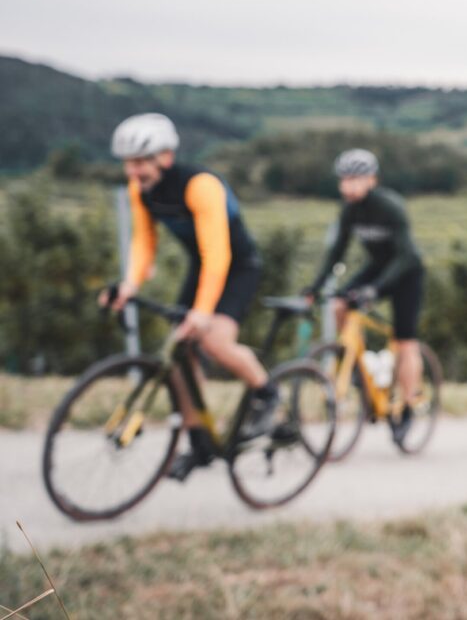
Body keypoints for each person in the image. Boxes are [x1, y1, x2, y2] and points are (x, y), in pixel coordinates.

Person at [101, 113, 276, 479]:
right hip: (202, 268)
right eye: (127, 164)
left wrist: (201, 311)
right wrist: (130, 285)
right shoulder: (141, 190)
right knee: (179, 353)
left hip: (237, 266)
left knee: (213, 339)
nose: (132, 171)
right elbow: (144, 241)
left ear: (164, 157)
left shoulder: (201, 185)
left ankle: (266, 393)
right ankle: (200, 444)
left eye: (138, 163)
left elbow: (219, 253)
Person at [303, 149, 425, 442]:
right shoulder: (349, 211)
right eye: (344, 180)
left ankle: (409, 404)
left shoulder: (390, 206)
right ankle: (359, 364)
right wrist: (314, 287)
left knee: (405, 342)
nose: (349, 185)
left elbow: (405, 255)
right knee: (338, 305)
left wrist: (376, 289)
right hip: (377, 268)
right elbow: (337, 252)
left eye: (356, 179)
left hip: (406, 272)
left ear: (372, 179)